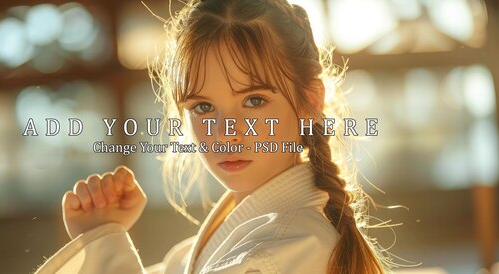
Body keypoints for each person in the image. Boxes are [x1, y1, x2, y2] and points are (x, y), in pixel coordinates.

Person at [34, 0, 392, 273]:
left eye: (254, 100)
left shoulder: (279, 252)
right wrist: (104, 231)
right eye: (203, 107)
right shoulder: (219, 246)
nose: (226, 133)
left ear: (309, 101)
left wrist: (103, 240)